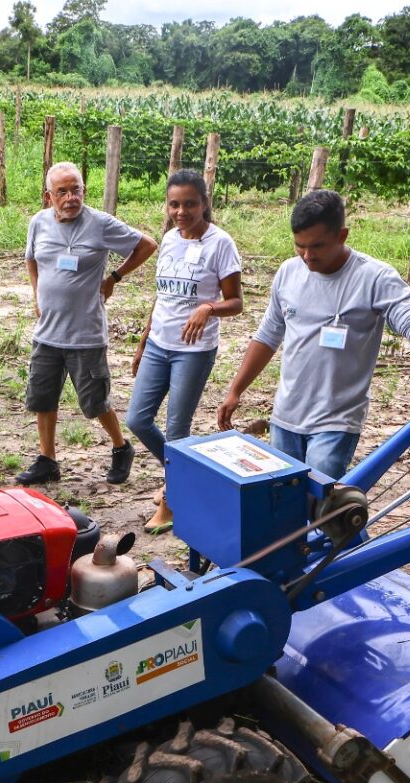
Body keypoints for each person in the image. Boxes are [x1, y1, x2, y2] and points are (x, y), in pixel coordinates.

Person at [217, 189, 410, 480]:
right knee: (283, 503)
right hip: (286, 416)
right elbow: (268, 335)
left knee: (320, 506)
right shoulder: (289, 272)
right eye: (299, 246)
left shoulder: (374, 277)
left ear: (342, 235)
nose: (307, 256)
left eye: (317, 246)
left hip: (336, 421)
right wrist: (236, 390)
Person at [15, 162, 157, 486]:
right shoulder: (38, 223)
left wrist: (114, 278)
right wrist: (37, 294)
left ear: (84, 191)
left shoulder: (100, 224)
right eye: (62, 191)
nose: (70, 198)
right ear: (48, 196)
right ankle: (47, 459)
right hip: (48, 332)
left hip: (86, 334)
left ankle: (121, 447)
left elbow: (147, 245)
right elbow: (31, 259)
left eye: (75, 189)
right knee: (43, 397)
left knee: (95, 402)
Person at [126, 170, 244, 533]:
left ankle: (172, 501)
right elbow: (162, 297)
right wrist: (144, 340)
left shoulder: (220, 243)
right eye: (174, 204)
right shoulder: (170, 240)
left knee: (177, 431)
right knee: (137, 419)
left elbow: (236, 302)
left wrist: (208, 308)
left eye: (190, 204)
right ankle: (187, 477)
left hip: (193, 351)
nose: (181, 211)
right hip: (160, 344)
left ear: (205, 203)